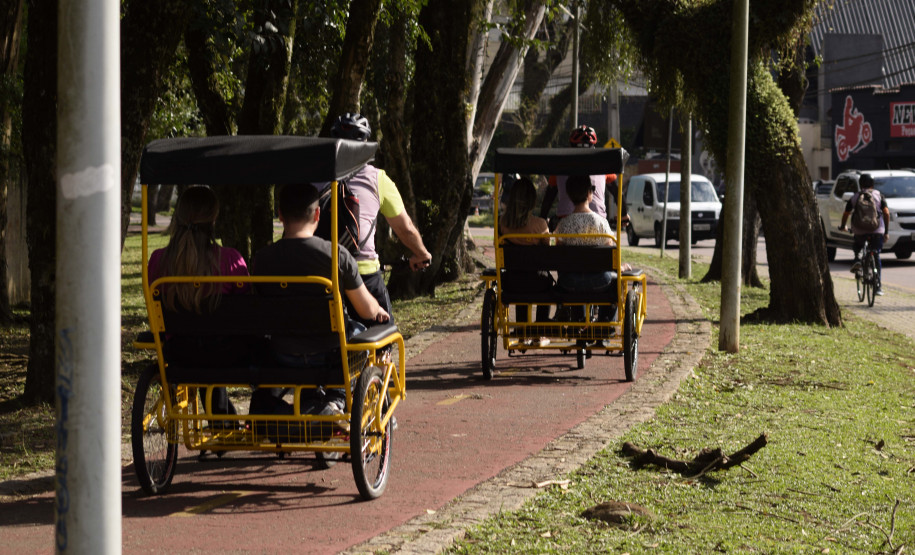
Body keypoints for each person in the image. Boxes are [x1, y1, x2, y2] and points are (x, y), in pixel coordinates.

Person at [252, 183, 390, 416]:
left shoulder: (262, 259)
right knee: (357, 330)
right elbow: (365, 308)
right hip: (329, 353)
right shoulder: (336, 255)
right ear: (317, 214)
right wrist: (378, 310)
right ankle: (337, 398)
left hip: (282, 352)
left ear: (280, 215)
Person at [147, 185, 250, 422]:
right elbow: (245, 309)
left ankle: (223, 422)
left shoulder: (158, 261)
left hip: (178, 354)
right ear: (213, 219)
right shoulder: (230, 261)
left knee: (201, 342)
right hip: (226, 355)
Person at [327, 113, 432, 327]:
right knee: (385, 336)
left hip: (323, 275)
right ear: (365, 146)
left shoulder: (317, 178)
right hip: (363, 275)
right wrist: (421, 254)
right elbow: (406, 229)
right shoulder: (377, 179)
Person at [554, 175, 619, 328]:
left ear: (569, 195)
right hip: (600, 281)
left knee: (573, 271)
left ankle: (579, 321)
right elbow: (611, 251)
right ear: (590, 194)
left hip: (569, 283)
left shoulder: (563, 225)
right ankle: (604, 324)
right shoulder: (601, 223)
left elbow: (559, 253)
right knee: (616, 281)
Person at [539, 125, 630, 231]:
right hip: (598, 221)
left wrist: (543, 218)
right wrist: (623, 215)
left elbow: (549, 196)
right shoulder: (603, 166)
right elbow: (617, 192)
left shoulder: (560, 167)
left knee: (553, 234)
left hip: (564, 221)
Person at [499, 176, 553, 346]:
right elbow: (548, 251)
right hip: (538, 283)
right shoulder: (540, 225)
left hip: (511, 283)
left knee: (519, 271)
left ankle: (522, 331)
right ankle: (540, 330)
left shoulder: (502, 223)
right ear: (532, 201)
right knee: (546, 279)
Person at [840, 173, 890, 296]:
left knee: (858, 245)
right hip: (877, 230)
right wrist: (886, 232)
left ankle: (857, 259)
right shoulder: (878, 195)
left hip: (859, 230)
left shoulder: (856, 197)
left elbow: (846, 213)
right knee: (876, 254)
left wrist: (843, 226)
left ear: (860, 184)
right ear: (873, 184)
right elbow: (887, 214)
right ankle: (877, 286)